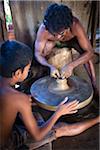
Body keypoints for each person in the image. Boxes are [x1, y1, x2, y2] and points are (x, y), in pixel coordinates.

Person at [0, 40, 99, 148]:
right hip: (7, 144)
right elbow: (38, 135)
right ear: (18, 73)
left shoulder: (13, 93)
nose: (28, 72)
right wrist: (58, 113)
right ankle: (97, 119)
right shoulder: (19, 99)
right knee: (59, 128)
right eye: (28, 69)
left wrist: (22, 101)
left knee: (33, 116)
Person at [35, 3, 98, 92]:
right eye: (53, 33)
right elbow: (37, 53)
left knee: (86, 56)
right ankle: (47, 73)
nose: (57, 37)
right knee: (46, 48)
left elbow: (90, 52)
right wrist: (49, 66)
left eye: (61, 33)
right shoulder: (44, 29)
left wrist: (71, 65)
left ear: (68, 27)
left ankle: (94, 84)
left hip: (72, 41)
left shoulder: (75, 25)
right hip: (53, 44)